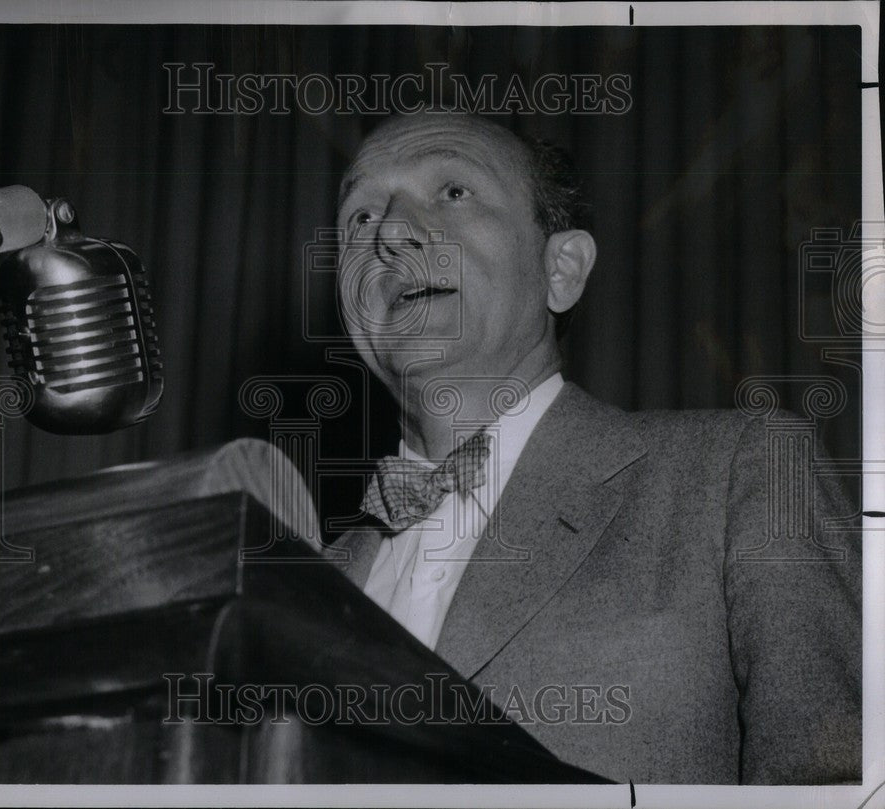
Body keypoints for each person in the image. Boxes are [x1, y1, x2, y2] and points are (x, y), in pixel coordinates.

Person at [329, 111, 861, 785]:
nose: (393, 232)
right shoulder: (294, 582)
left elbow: (840, 784)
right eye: (360, 218)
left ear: (563, 269)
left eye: (453, 192)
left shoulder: (744, 472)